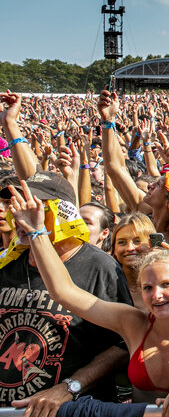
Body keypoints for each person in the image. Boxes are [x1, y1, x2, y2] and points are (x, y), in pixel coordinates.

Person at [11, 179, 169, 409]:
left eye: (167, 284)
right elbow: (63, 292)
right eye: (148, 287)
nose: (157, 295)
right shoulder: (133, 323)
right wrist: (37, 232)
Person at [0, 173, 131, 412]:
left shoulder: (100, 266)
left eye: (32, 207)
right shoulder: (6, 263)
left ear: (63, 214)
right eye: (16, 205)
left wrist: (69, 388)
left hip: (70, 409)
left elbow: (123, 345)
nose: (19, 215)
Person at [110, 212, 154, 308]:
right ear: (114, 249)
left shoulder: (165, 284)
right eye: (122, 242)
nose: (130, 248)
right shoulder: (107, 286)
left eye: (137, 241)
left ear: (151, 245)